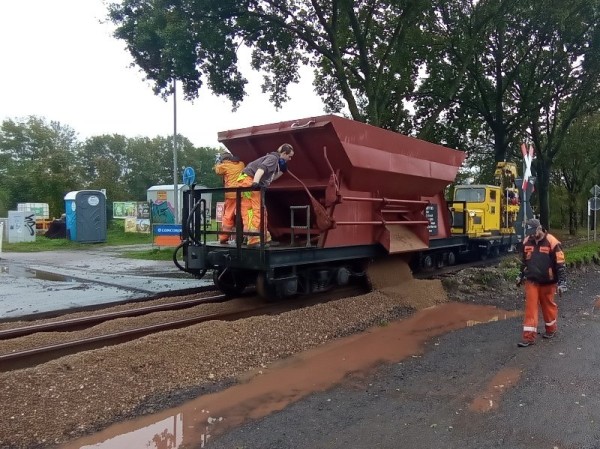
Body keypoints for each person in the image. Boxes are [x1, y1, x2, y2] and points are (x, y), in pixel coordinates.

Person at [516, 218, 567, 347]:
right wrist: (520, 275)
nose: (532, 235)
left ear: (540, 228)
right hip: (532, 280)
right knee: (530, 308)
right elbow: (524, 262)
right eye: (530, 232)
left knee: (548, 306)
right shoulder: (527, 241)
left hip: (548, 282)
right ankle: (528, 337)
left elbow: (560, 264)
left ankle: (551, 329)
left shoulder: (552, 242)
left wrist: (562, 283)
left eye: (534, 232)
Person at [236, 143, 294, 246]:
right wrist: (255, 182)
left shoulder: (275, 161)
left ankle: (263, 238)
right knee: (256, 210)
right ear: (284, 153)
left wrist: (282, 171)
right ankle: (254, 240)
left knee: (258, 211)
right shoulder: (273, 159)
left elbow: (271, 178)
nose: (290, 159)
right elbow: (260, 169)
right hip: (248, 181)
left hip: (246, 180)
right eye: (289, 156)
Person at [214, 152, 246, 244]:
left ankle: (224, 237)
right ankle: (246, 237)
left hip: (231, 195)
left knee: (228, 216)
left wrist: (217, 162)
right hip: (242, 194)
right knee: (244, 215)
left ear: (223, 160)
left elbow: (217, 171)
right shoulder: (241, 164)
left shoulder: (224, 166)